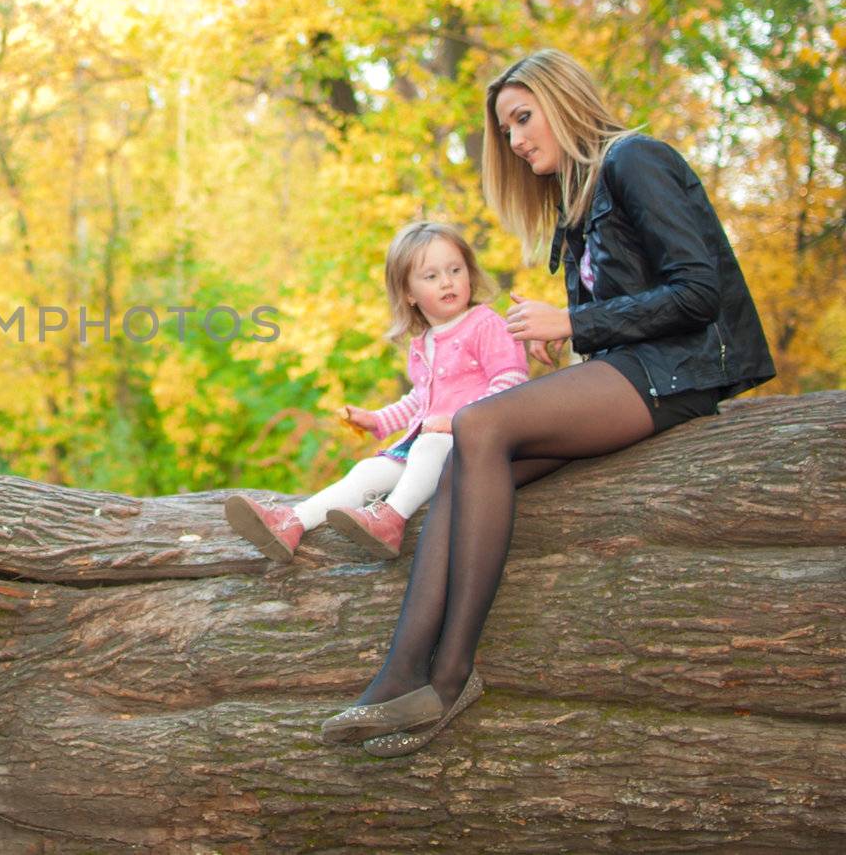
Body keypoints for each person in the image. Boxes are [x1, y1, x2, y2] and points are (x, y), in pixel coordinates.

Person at [318, 48, 775, 756]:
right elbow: (621, 314)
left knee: (477, 421)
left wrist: (577, 324)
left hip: (681, 372)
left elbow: (699, 292)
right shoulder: (579, 206)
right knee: (459, 469)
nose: (516, 139)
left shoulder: (634, 160)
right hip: (633, 370)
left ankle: (447, 673)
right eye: (506, 130)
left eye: (523, 118)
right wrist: (565, 352)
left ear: (563, 101)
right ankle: (402, 673)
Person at [225, 221, 528, 562]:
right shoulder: (424, 342)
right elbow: (420, 399)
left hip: (479, 441)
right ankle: (292, 522)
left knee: (429, 444)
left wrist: (459, 421)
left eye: (455, 270)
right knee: (370, 471)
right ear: (409, 293)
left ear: (469, 273)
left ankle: (391, 519)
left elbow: (511, 382)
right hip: (431, 446)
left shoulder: (485, 324)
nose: (447, 281)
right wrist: (378, 420)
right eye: (431, 276)